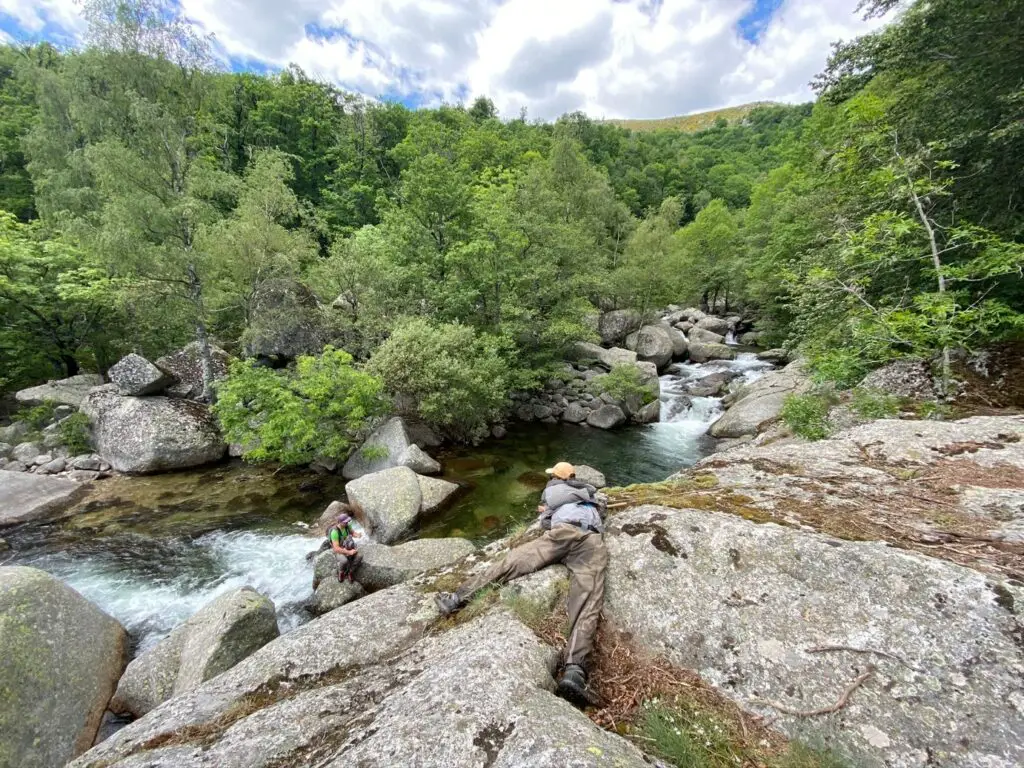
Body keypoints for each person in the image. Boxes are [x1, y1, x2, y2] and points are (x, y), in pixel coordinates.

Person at [434, 461, 608, 707]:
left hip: (561, 534)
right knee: (588, 598)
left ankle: (457, 598)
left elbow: (547, 523)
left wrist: (545, 514)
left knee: (511, 562)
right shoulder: (592, 495)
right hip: (591, 541)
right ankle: (574, 672)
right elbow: (602, 515)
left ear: (558, 477)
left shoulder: (554, 489)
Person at [327, 512, 362, 582]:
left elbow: (352, 533)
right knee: (344, 561)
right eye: (345, 522)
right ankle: (341, 572)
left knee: (360, 556)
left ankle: (350, 572)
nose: (347, 523)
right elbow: (336, 548)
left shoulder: (347, 526)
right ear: (340, 522)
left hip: (348, 546)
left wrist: (357, 535)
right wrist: (348, 552)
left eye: (348, 521)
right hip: (339, 550)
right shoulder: (334, 532)